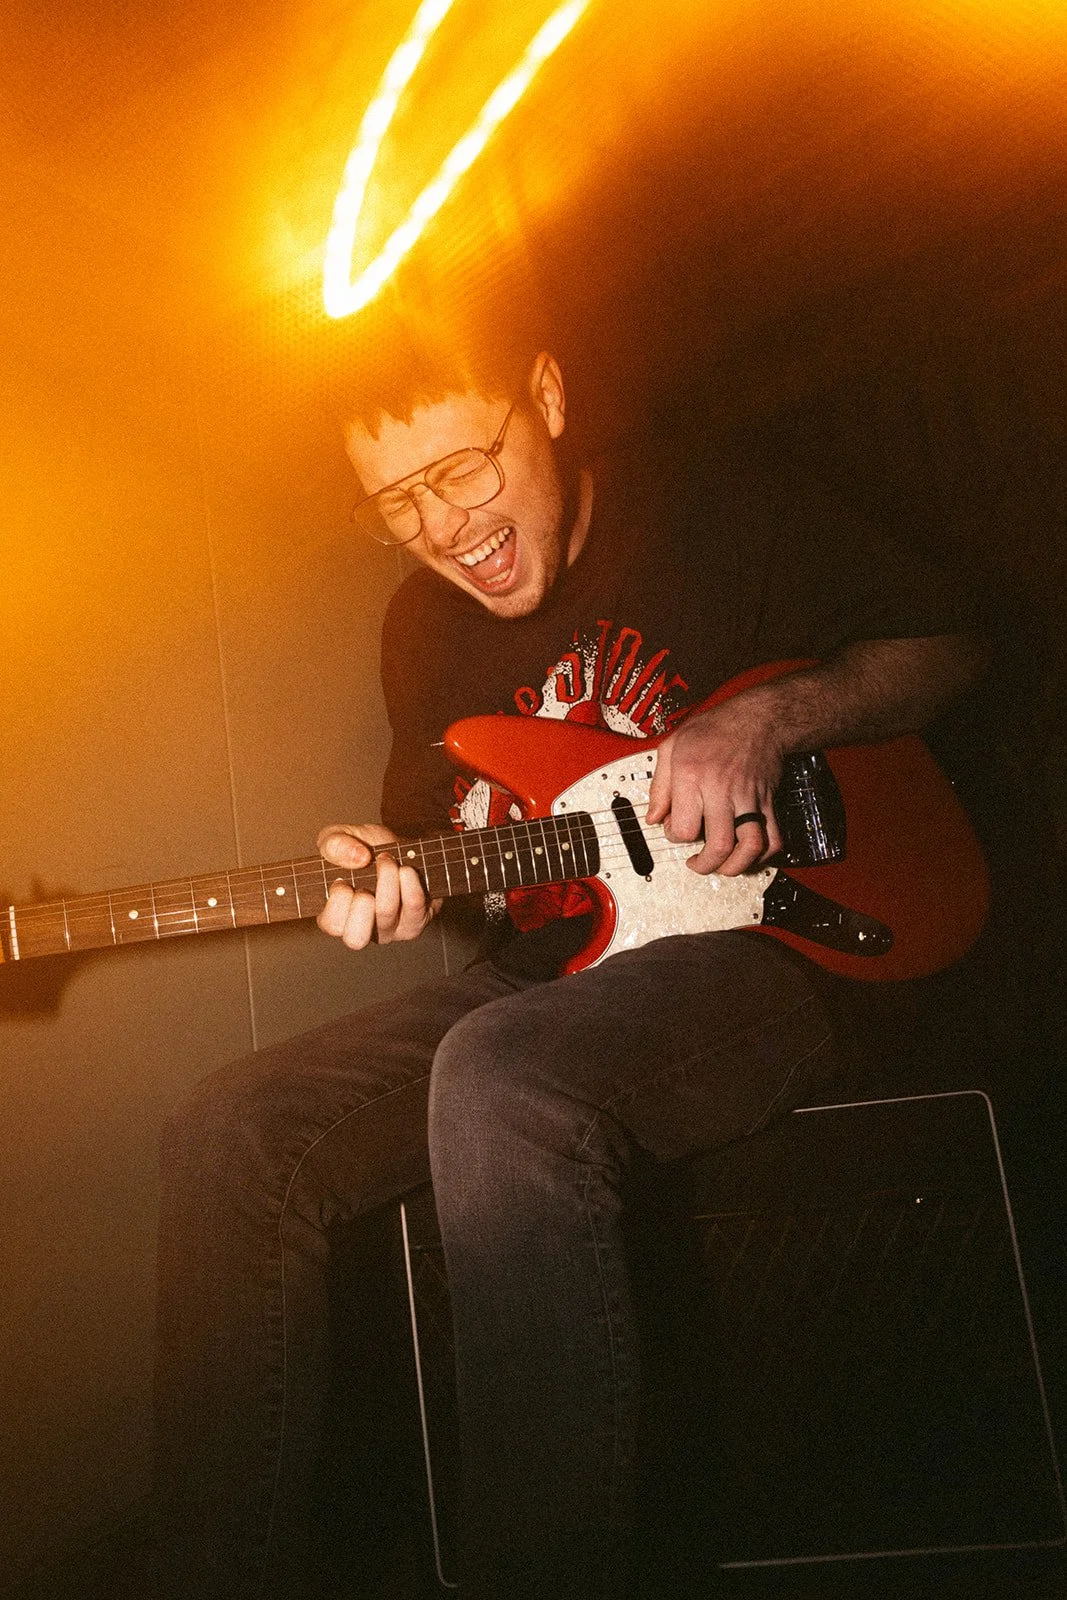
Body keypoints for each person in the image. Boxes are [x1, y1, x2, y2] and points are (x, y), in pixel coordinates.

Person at [154, 339, 983, 1600]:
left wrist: (767, 717)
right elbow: (450, 850)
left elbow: (952, 646)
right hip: (560, 970)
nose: (442, 524)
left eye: (463, 465)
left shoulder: (715, 503)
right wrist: (399, 870)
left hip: (783, 946)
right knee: (230, 1128)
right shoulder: (416, 631)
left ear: (543, 398)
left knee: (498, 1078)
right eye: (395, 501)